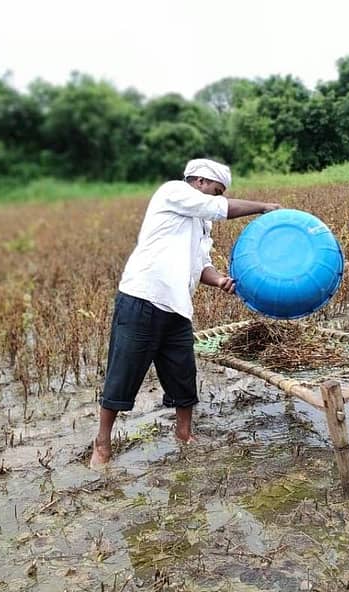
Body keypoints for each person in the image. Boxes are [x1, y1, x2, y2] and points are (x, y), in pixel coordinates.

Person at [90, 159, 280, 468]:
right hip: (143, 298)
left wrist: (218, 280)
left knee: (183, 375)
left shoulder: (202, 223)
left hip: (178, 308)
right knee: (123, 374)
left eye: (220, 194)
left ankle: (184, 434)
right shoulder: (173, 192)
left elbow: (200, 265)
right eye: (215, 192)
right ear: (200, 182)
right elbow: (222, 209)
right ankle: (102, 442)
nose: (216, 199)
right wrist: (264, 207)